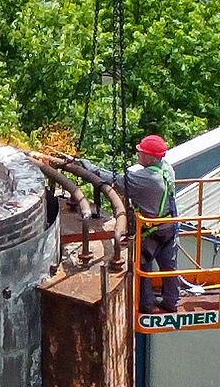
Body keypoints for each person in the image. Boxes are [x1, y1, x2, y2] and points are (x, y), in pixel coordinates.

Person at [63, 134, 182, 313]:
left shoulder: (147, 179)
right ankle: (172, 301)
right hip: (169, 226)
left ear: (150, 157)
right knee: (169, 266)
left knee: (144, 265)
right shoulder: (166, 169)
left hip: (151, 230)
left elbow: (116, 180)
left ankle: (146, 304)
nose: (138, 155)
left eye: (141, 152)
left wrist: (91, 168)